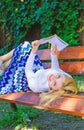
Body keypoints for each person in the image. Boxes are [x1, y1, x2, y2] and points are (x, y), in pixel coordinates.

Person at [0, 40, 78, 105]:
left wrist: (34, 51)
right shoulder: (64, 79)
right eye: (58, 76)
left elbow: (28, 70)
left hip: (25, 78)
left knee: (24, 52)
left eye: (54, 83)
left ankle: (2, 63)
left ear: (51, 90)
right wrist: (53, 53)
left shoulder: (36, 86)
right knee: (24, 48)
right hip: (37, 70)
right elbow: (56, 69)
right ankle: (2, 63)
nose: (52, 77)